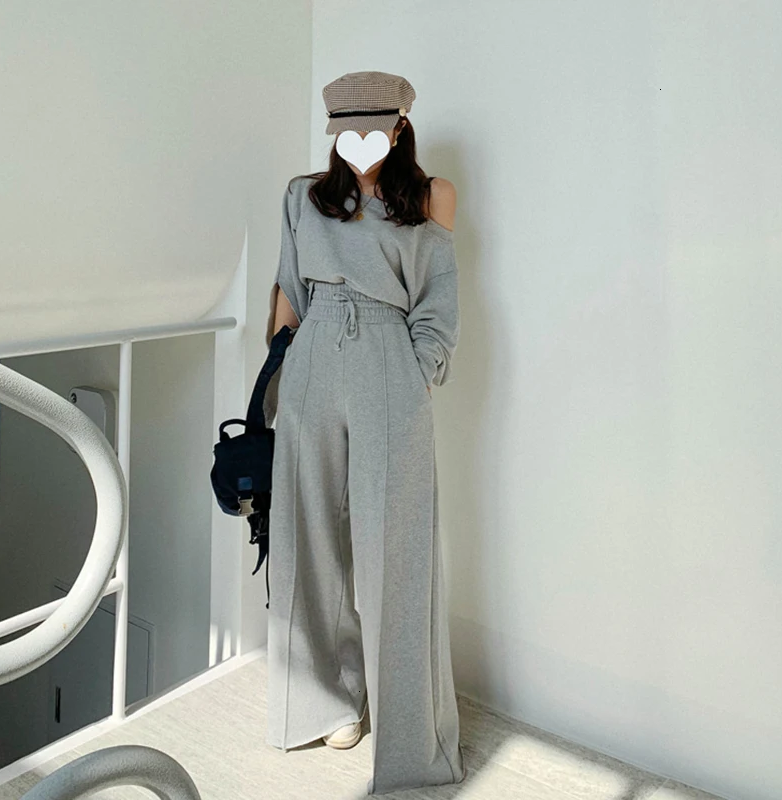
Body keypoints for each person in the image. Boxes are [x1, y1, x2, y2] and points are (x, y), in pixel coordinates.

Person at [264, 70, 465, 795]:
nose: (358, 145)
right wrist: (275, 383)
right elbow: (288, 291)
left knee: (397, 551)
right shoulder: (302, 196)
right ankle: (327, 699)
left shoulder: (431, 196)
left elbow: (438, 301)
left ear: (400, 127)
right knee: (307, 536)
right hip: (312, 356)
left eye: (373, 131)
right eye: (345, 133)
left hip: (389, 357)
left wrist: (416, 370)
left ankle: (412, 736)